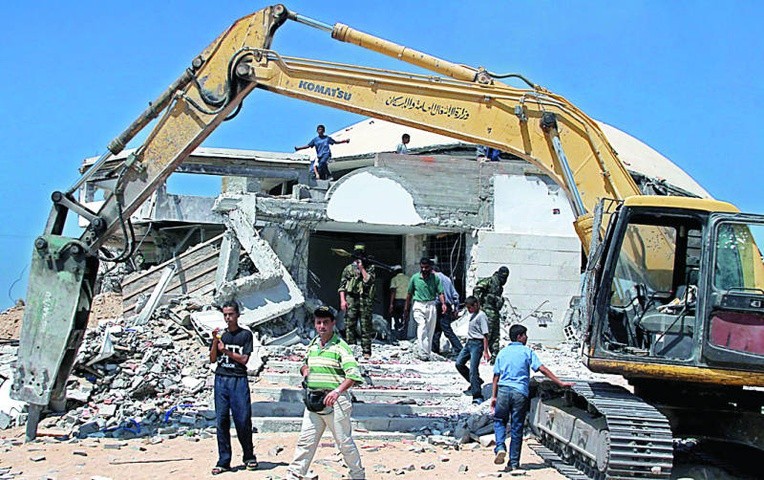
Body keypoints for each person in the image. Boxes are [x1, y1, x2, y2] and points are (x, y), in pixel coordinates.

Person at [287, 306, 365, 480]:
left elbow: (352, 375)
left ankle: (357, 475)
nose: (322, 326)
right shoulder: (313, 344)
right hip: (314, 401)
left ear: (333, 324)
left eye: (325, 322)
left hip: (335, 402)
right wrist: (305, 370)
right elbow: (304, 364)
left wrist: (337, 391)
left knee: (344, 443)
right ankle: (295, 473)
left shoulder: (341, 347)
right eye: (318, 322)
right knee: (306, 441)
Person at [491, 324, 573, 471]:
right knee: (517, 427)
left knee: (499, 420)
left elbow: (496, 376)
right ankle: (514, 463)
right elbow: (541, 369)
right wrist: (559, 382)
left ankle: (500, 446)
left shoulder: (502, 353)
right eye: (525, 335)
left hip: (503, 391)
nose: (527, 337)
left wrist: (494, 396)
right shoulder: (527, 352)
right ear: (519, 337)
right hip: (520, 393)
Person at [210, 301, 257, 475]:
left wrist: (226, 351)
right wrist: (215, 342)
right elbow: (213, 359)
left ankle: (249, 456)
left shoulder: (245, 335)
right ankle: (224, 460)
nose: (228, 318)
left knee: (243, 419)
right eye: (225, 315)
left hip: (238, 379)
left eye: (231, 314)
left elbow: (244, 359)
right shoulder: (221, 335)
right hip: (221, 379)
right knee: (221, 420)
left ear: (237, 315)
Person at [403, 257, 447, 360]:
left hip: (431, 305)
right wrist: (406, 308)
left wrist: (443, 303)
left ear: (430, 267)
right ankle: (422, 352)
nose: (423, 270)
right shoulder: (414, 278)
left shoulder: (435, 278)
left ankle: (427, 352)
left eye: (426, 267)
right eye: (422, 267)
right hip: (418, 304)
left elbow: (440, 292)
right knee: (422, 326)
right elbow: (409, 294)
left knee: (430, 330)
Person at [338, 243, 376, 359]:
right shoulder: (348, 269)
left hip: (365, 300)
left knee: (366, 327)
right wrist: (342, 301)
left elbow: (368, 281)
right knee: (350, 325)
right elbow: (342, 286)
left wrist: (362, 268)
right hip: (351, 299)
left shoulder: (370, 267)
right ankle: (351, 349)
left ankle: (366, 352)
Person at [454, 296, 490, 404]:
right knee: (459, 363)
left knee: (473, 370)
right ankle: (476, 382)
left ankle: (477, 395)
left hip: (477, 344)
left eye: (470, 307)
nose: (469, 310)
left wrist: (485, 351)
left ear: (476, 305)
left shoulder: (481, 316)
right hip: (469, 343)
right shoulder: (473, 315)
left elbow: (485, 335)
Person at [473, 266, 509, 363]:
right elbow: (477, 288)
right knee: (486, 335)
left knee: (495, 335)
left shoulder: (499, 286)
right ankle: (479, 355)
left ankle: (494, 356)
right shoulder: (490, 281)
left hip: (495, 313)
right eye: (503, 277)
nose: (504, 280)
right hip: (487, 312)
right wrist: (477, 304)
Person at [431, 265, 463, 355]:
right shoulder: (447, 279)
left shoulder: (434, 278)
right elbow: (455, 295)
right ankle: (435, 350)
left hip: (439, 306)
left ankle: (459, 349)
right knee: (438, 330)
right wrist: (456, 308)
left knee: (445, 330)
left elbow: (436, 294)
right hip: (447, 306)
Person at [388, 265, 411, 341]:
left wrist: (391, 304)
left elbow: (393, 292)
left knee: (396, 319)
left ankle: (397, 336)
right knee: (405, 319)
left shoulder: (394, 279)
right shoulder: (408, 279)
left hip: (397, 301)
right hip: (406, 301)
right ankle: (404, 336)